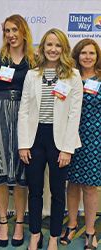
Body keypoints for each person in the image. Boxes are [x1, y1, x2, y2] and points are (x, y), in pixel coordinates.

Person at [18, 28, 83, 250]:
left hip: (60, 141)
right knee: (35, 189)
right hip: (35, 139)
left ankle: (54, 236)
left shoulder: (73, 76)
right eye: (49, 45)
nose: (53, 49)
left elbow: (75, 114)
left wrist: (67, 149)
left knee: (57, 192)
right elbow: (24, 111)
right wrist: (23, 144)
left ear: (63, 49)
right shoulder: (32, 74)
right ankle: (35, 234)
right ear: (42, 48)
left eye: (58, 46)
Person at [0, 14, 36, 247]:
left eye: (16, 30)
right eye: (7, 31)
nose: (11, 35)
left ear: (24, 32)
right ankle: (3, 222)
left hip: (26, 119)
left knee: (23, 176)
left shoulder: (34, 61)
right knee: (0, 174)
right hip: (0, 118)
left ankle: (20, 223)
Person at [61, 39, 101, 250]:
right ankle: (72, 224)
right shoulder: (69, 78)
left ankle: (90, 231)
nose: (87, 57)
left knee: (90, 187)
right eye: (83, 53)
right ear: (77, 56)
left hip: (95, 139)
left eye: (92, 53)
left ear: (97, 56)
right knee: (73, 184)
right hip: (69, 137)